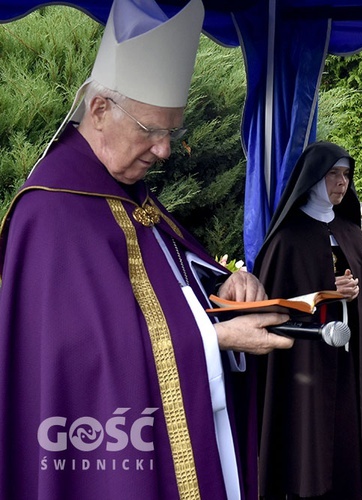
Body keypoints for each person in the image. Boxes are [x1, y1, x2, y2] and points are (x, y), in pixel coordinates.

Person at [0, 0, 294, 498]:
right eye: (151, 130)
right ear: (98, 110)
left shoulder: (128, 191)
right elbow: (78, 355)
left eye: (171, 132)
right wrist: (215, 340)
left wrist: (223, 284)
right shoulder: (52, 211)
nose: (163, 150)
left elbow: (169, 282)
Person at [253, 141, 362, 499]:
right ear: (313, 178)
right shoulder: (287, 239)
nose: (341, 183)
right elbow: (273, 302)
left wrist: (353, 290)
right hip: (305, 363)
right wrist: (322, 289)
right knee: (308, 439)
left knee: (349, 439)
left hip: (350, 357)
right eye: (333, 174)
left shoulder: (350, 231)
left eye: (346, 175)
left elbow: (361, 287)